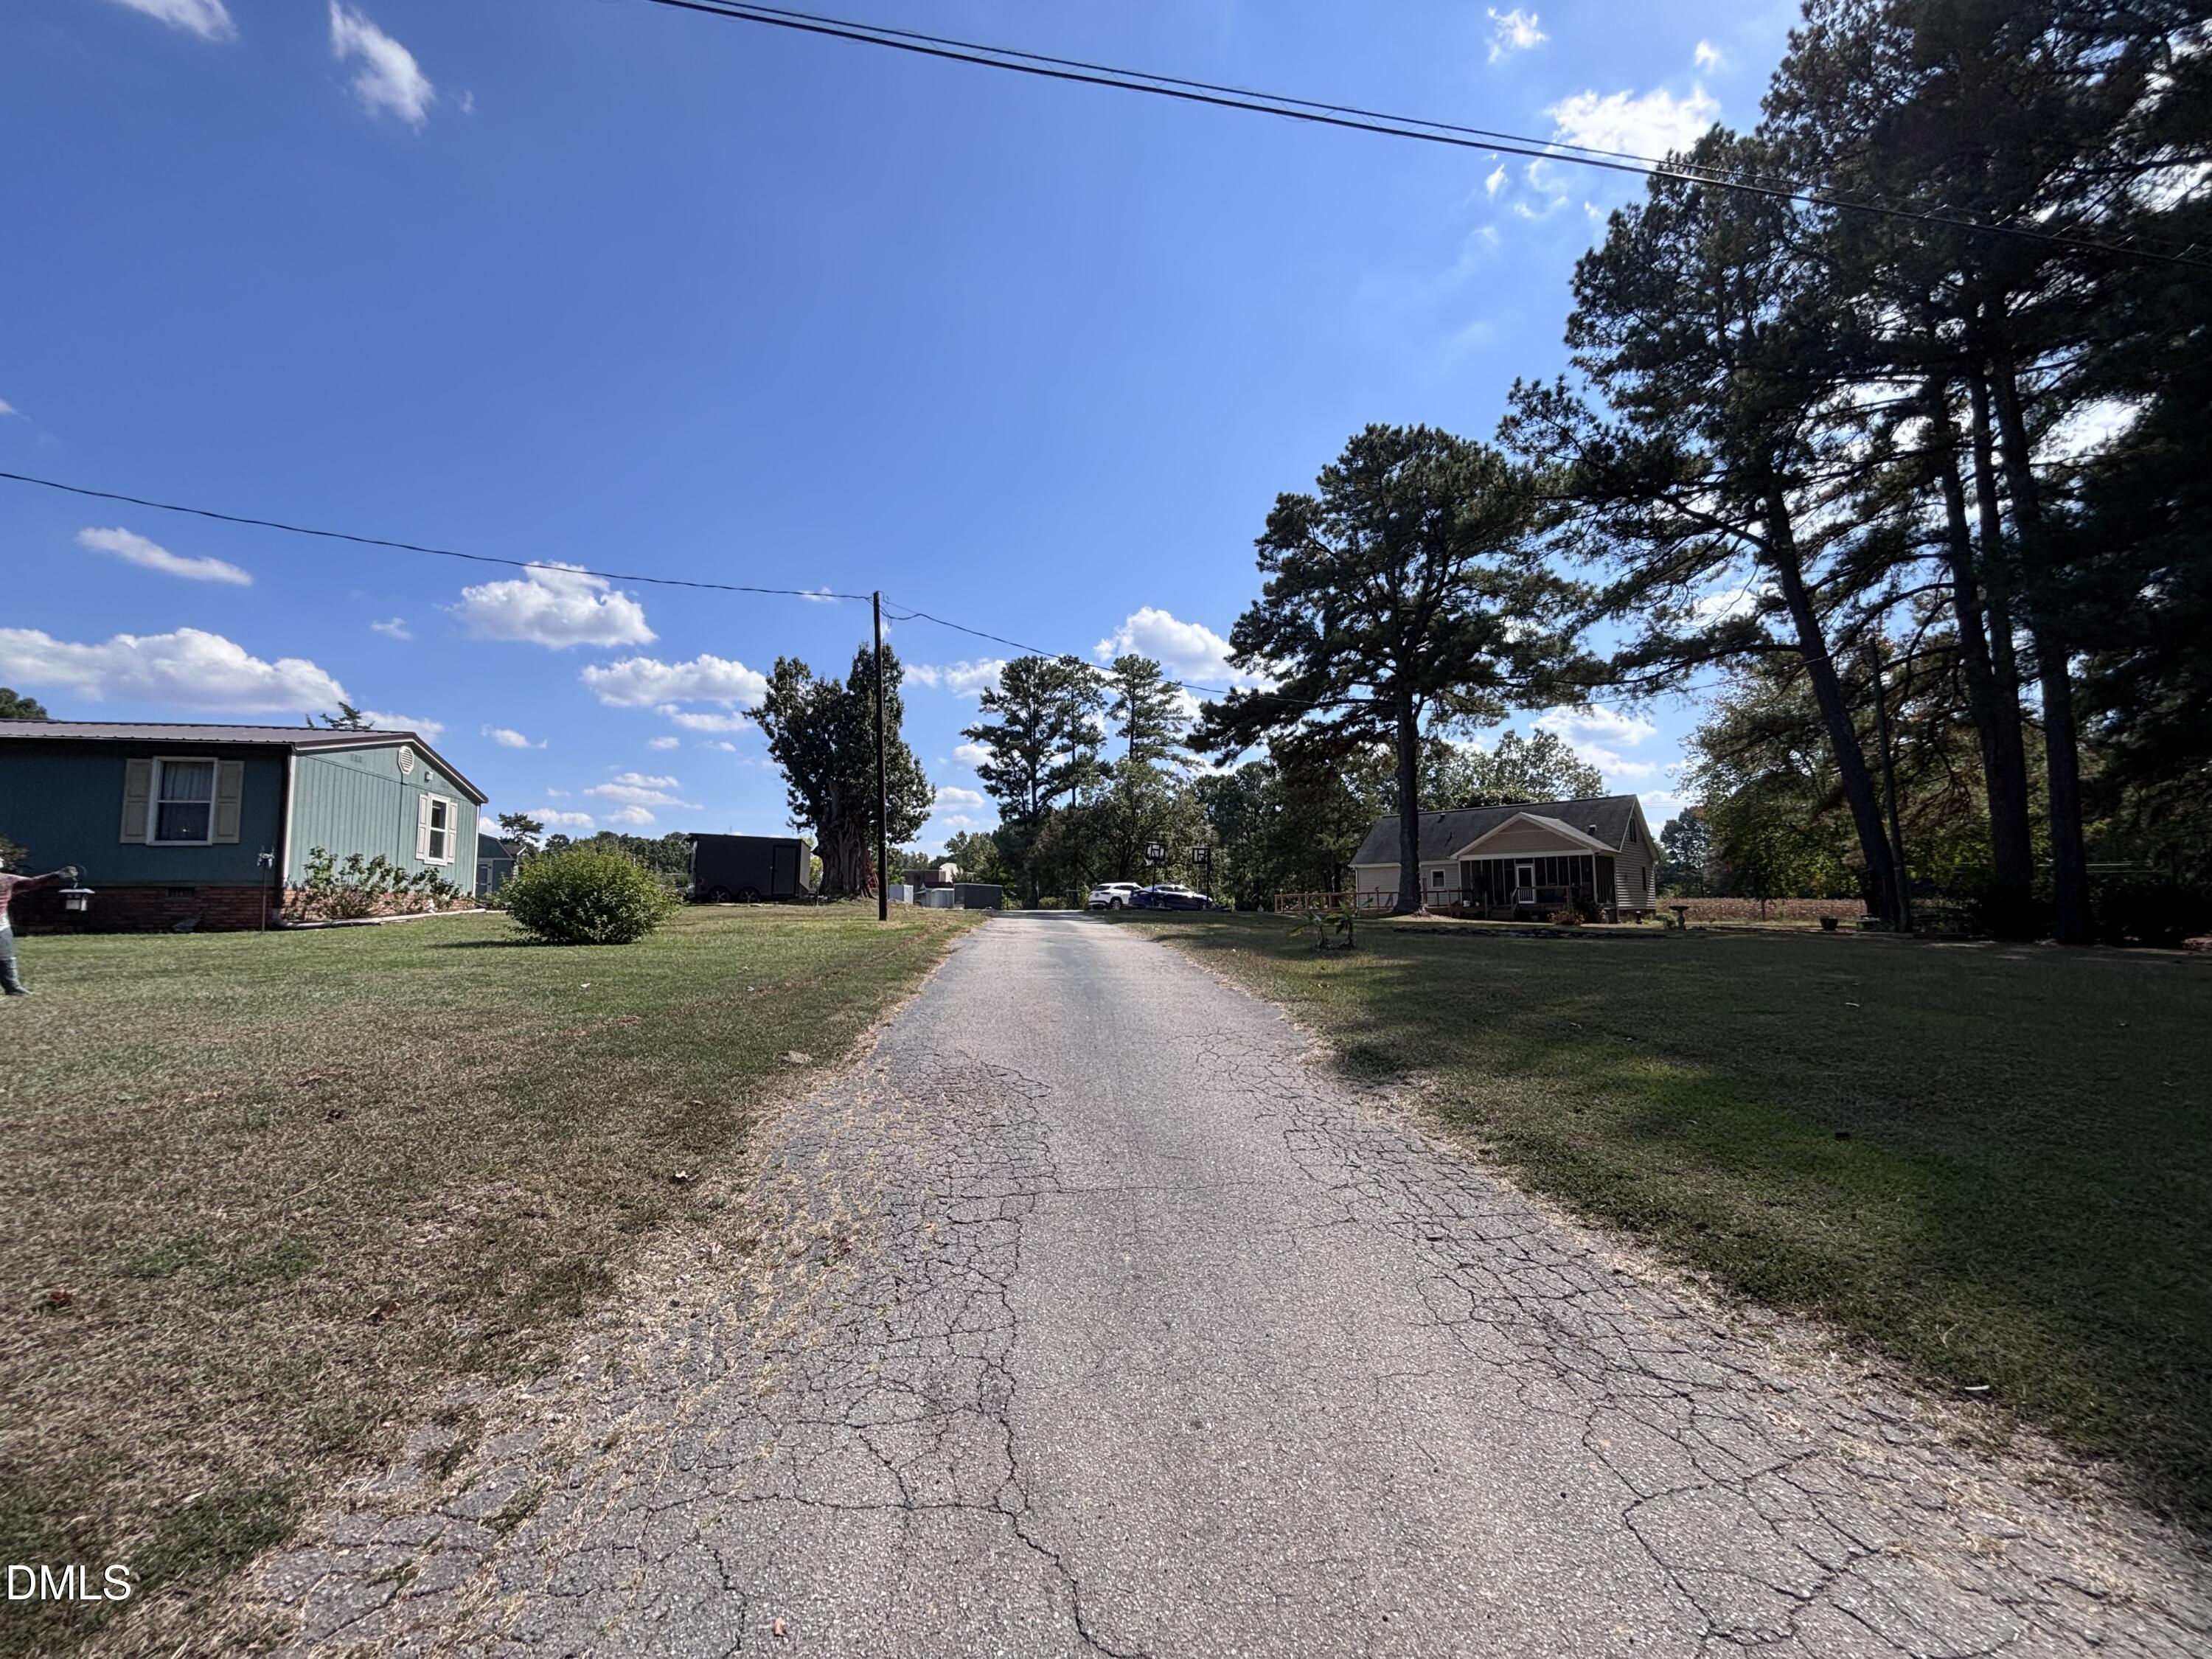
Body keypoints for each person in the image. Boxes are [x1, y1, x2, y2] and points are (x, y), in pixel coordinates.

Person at [0, 860, 77, 996]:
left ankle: (13, 987)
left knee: (6, 957)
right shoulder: (7, 879)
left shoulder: (6, 879)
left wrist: (57, 875)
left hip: (1, 925)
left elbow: (32, 883)